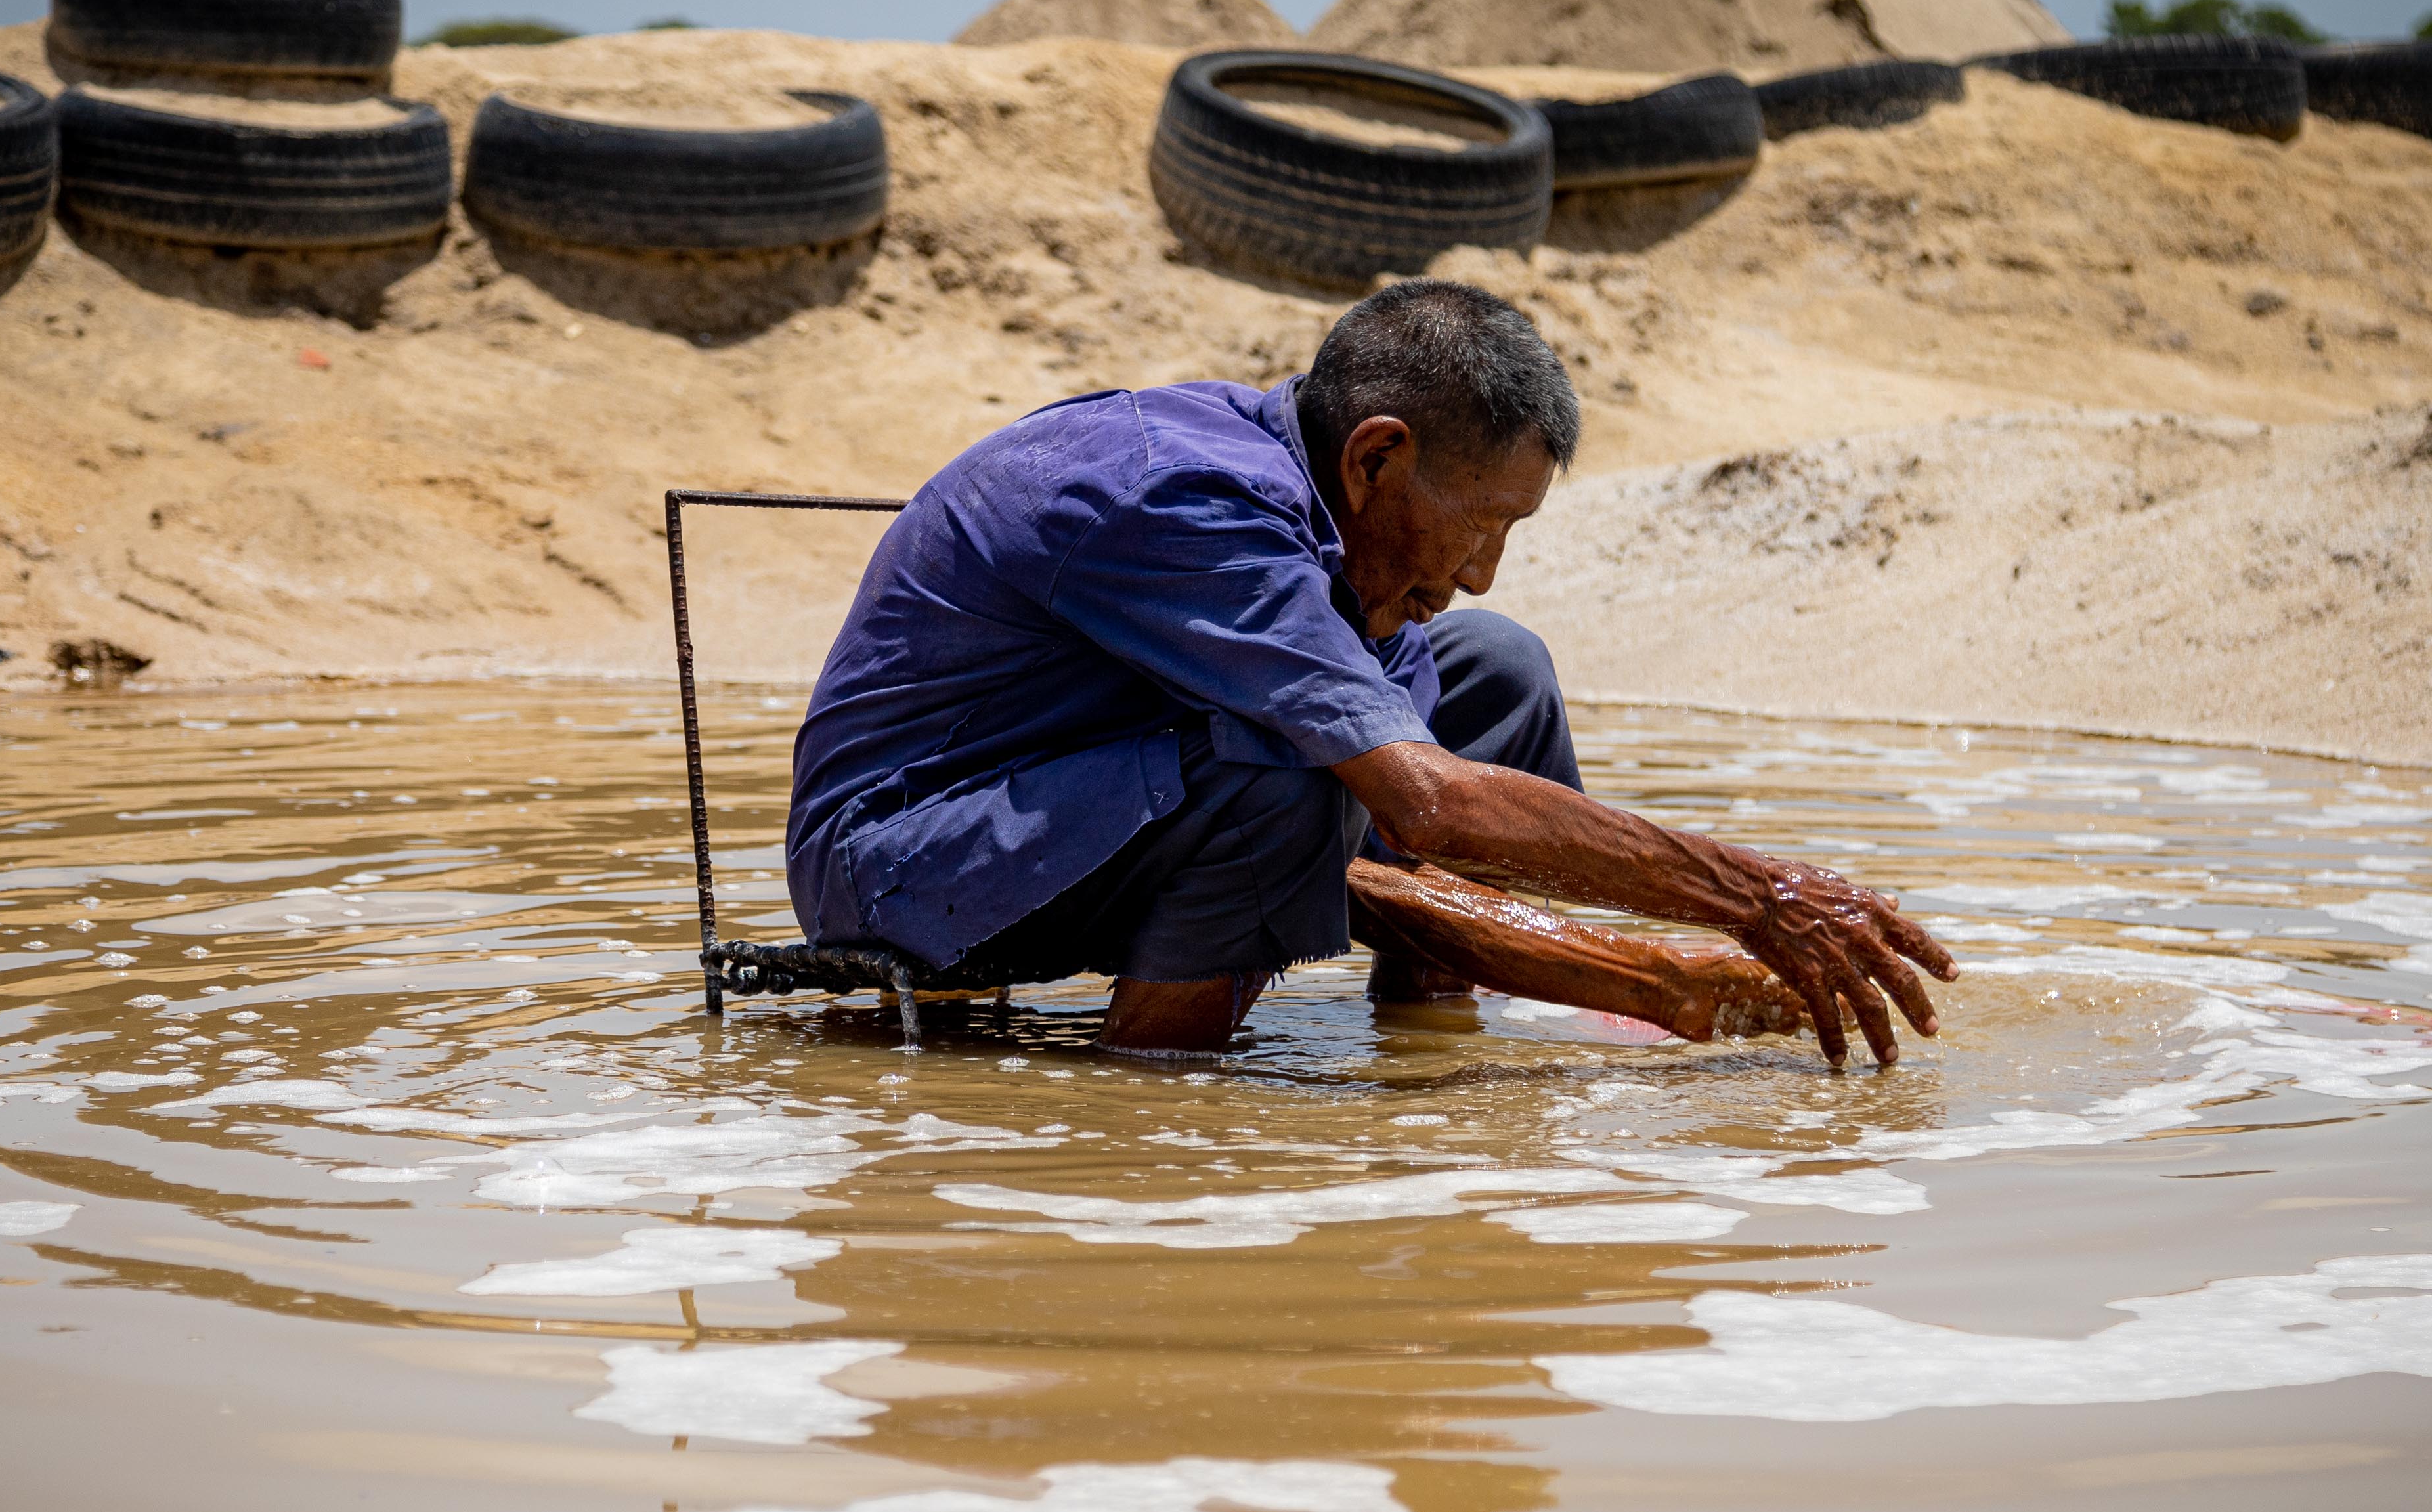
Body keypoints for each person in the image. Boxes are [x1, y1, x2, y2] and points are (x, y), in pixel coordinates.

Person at [786, 280, 1952, 1064]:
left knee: (1499, 667)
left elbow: (1400, 863)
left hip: (1100, 793)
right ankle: (1162, 1106)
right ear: (1377, 457)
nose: (1486, 568)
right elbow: (1420, 806)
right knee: (1299, 772)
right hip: (900, 853)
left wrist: (1636, 969)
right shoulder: (1187, 497)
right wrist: (1756, 900)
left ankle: (1442, 1052)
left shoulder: (1347, 544)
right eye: (1482, 524)